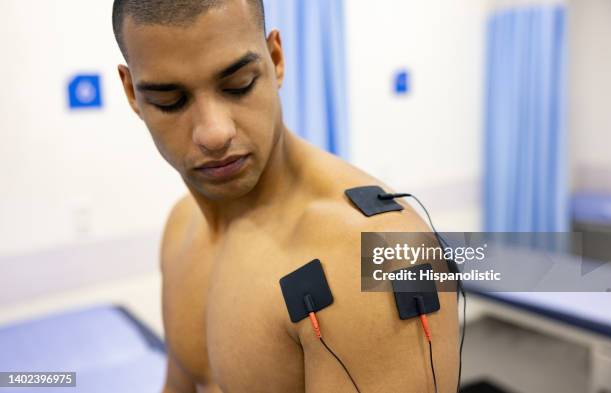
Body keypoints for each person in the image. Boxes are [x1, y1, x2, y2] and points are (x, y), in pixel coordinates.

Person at [112, 1, 459, 391]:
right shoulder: (181, 227)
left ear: (275, 59)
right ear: (131, 93)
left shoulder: (375, 254)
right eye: (169, 101)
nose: (214, 133)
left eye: (238, 84)